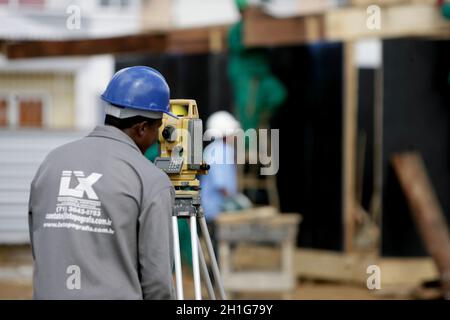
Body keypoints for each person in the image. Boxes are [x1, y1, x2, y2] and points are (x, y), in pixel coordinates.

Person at [28, 66, 177, 300]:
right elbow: (157, 282)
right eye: (157, 128)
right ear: (141, 129)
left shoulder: (52, 162)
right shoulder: (150, 180)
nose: (157, 137)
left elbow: (40, 243)